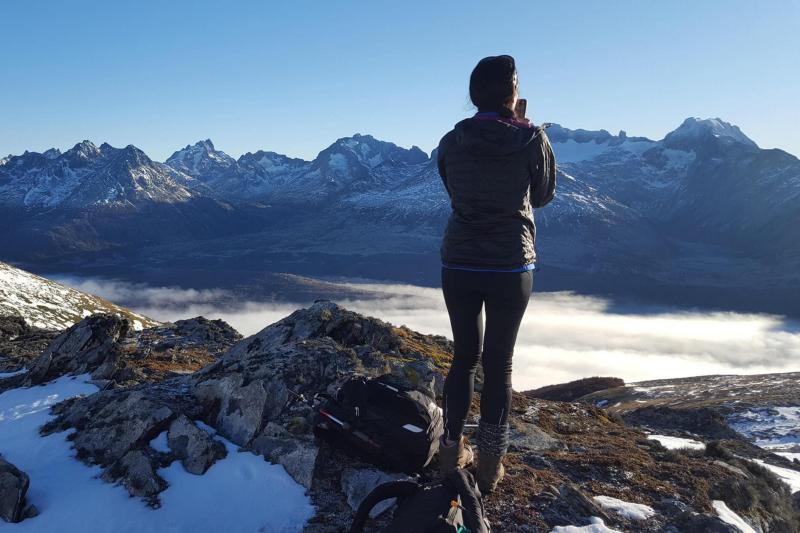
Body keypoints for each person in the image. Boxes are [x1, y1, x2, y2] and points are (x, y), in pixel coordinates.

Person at [435, 54, 556, 494]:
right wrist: (521, 126)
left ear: (473, 94)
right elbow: (542, 195)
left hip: (460, 260)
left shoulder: (452, 140)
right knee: (498, 366)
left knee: (464, 357)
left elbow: (454, 188)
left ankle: (450, 451)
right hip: (510, 264)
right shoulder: (531, 139)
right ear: (512, 93)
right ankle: (488, 466)